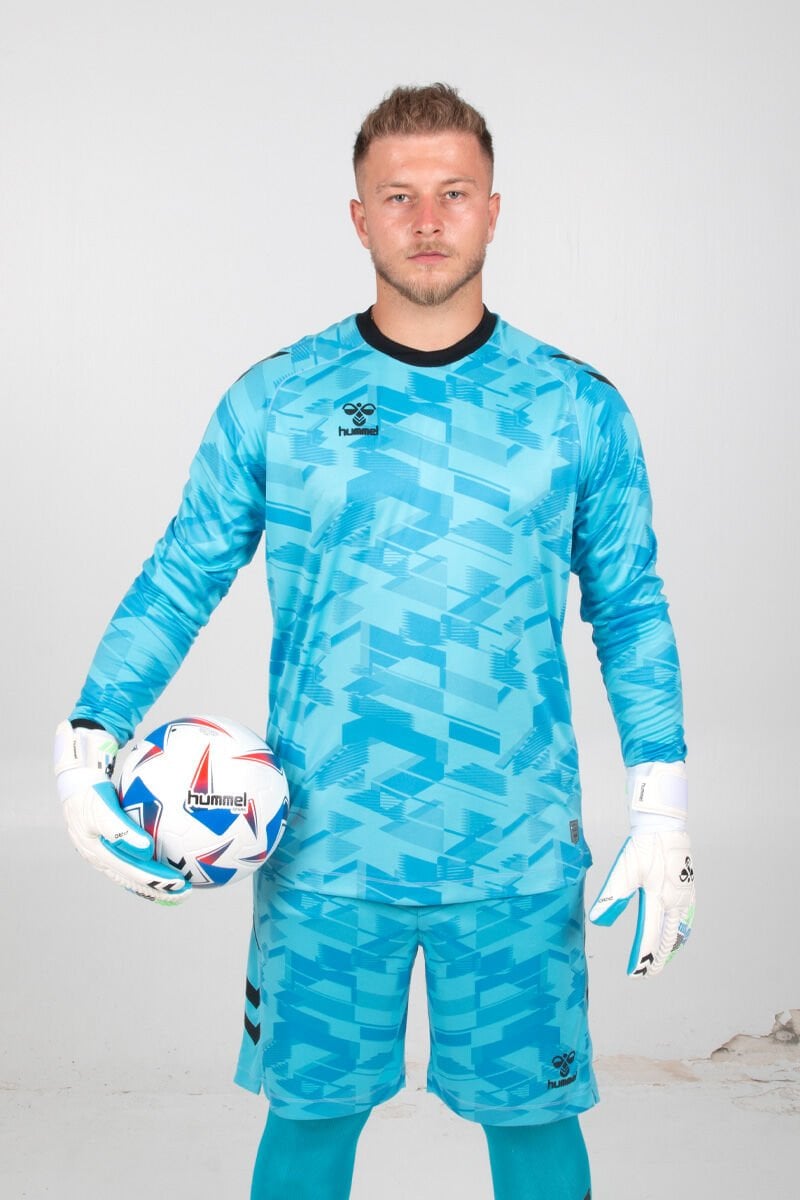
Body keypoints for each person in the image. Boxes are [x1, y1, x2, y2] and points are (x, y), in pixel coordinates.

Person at [53, 84, 695, 1200]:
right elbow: (183, 571)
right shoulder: (279, 399)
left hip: (513, 853)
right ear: (359, 218)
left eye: (453, 193)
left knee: (536, 1130)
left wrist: (663, 802)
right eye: (398, 197)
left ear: (494, 210)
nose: (427, 219)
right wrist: (87, 736)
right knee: (308, 1127)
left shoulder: (575, 408)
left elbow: (630, 607)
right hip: (323, 855)